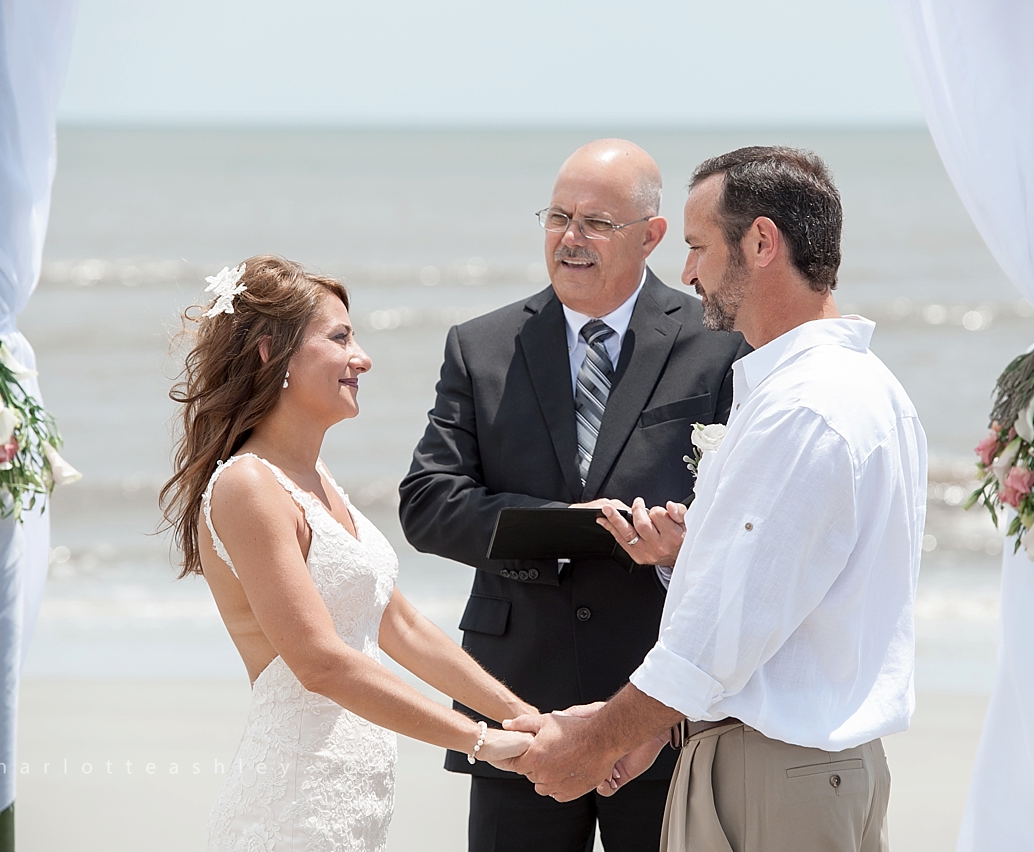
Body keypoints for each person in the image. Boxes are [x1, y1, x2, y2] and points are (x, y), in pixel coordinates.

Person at [502, 146, 928, 852]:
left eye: (698, 246)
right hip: (798, 773)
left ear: (762, 242)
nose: (687, 270)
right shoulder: (868, 388)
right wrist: (666, 728)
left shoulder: (805, 408)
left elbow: (723, 633)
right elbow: (780, 612)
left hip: (771, 782)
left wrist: (596, 743)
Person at [398, 139, 748, 851]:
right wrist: (561, 526)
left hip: (657, 702)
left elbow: (746, 512)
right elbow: (428, 503)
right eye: (558, 217)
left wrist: (687, 544)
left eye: (596, 222)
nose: (570, 237)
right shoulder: (482, 345)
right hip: (515, 698)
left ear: (651, 236)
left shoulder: (719, 345)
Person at [158, 255, 537, 852]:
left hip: (350, 809)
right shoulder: (249, 485)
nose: (363, 358)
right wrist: (479, 742)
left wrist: (520, 716)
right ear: (269, 352)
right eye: (340, 337)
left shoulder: (317, 478)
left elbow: (402, 627)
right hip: (291, 810)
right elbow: (321, 664)